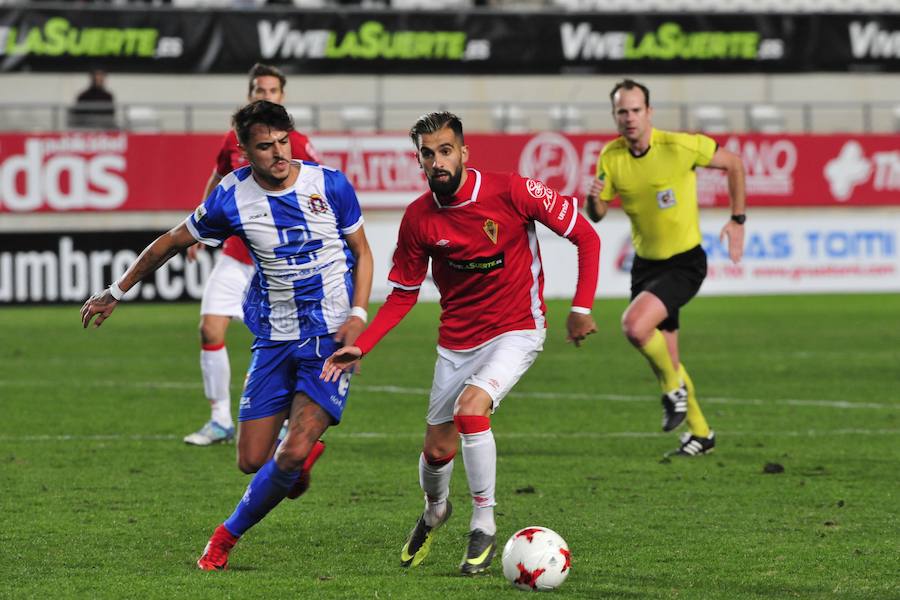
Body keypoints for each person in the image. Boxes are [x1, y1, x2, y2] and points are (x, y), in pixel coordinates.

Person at [81, 100, 374, 571]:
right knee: (252, 458)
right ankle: (295, 468)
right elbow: (173, 241)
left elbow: (362, 250)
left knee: (292, 448)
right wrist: (116, 291)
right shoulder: (230, 197)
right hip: (274, 337)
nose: (278, 154)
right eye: (265, 147)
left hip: (329, 336)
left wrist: (358, 316)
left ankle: (224, 538)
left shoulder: (330, 184)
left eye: (283, 142)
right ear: (243, 150)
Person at [320, 111, 600, 575]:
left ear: (464, 152)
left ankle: (484, 523)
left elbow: (585, 236)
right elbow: (404, 295)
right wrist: (362, 344)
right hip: (457, 342)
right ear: (420, 161)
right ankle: (436, 510)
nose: (437, 162)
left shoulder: (513, 191)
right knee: (435, 452)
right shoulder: (418, 220)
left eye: (445, 151)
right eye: (427, 155)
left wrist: (582, 306)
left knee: (473, 409)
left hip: (517, 328)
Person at [584, 78, 746, 457]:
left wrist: (737, 220)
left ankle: (672, 392)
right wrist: (594, 201)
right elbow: (598, 212)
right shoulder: (611, 156)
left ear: (649, 113)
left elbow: (734, 164)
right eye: (622, 111)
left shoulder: (679, 146)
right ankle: (702, 433)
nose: (629, 118)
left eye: (636, 110)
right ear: (614, 116)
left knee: (634, 326)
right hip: (645, 266)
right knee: (667, 358)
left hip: (685, 263)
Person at [184, 63, 321, 446]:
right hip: (237, 254)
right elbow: (217, 179)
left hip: (279, 262)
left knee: (289, 344)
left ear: (282, 97)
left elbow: (318, 192)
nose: (265, 95)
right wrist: (200, 227)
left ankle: (282, 421)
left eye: (272, 90)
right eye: (259, 89)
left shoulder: (296, 142)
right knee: (209, 328)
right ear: (249, 95)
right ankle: (219, 420)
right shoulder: (233, 141)